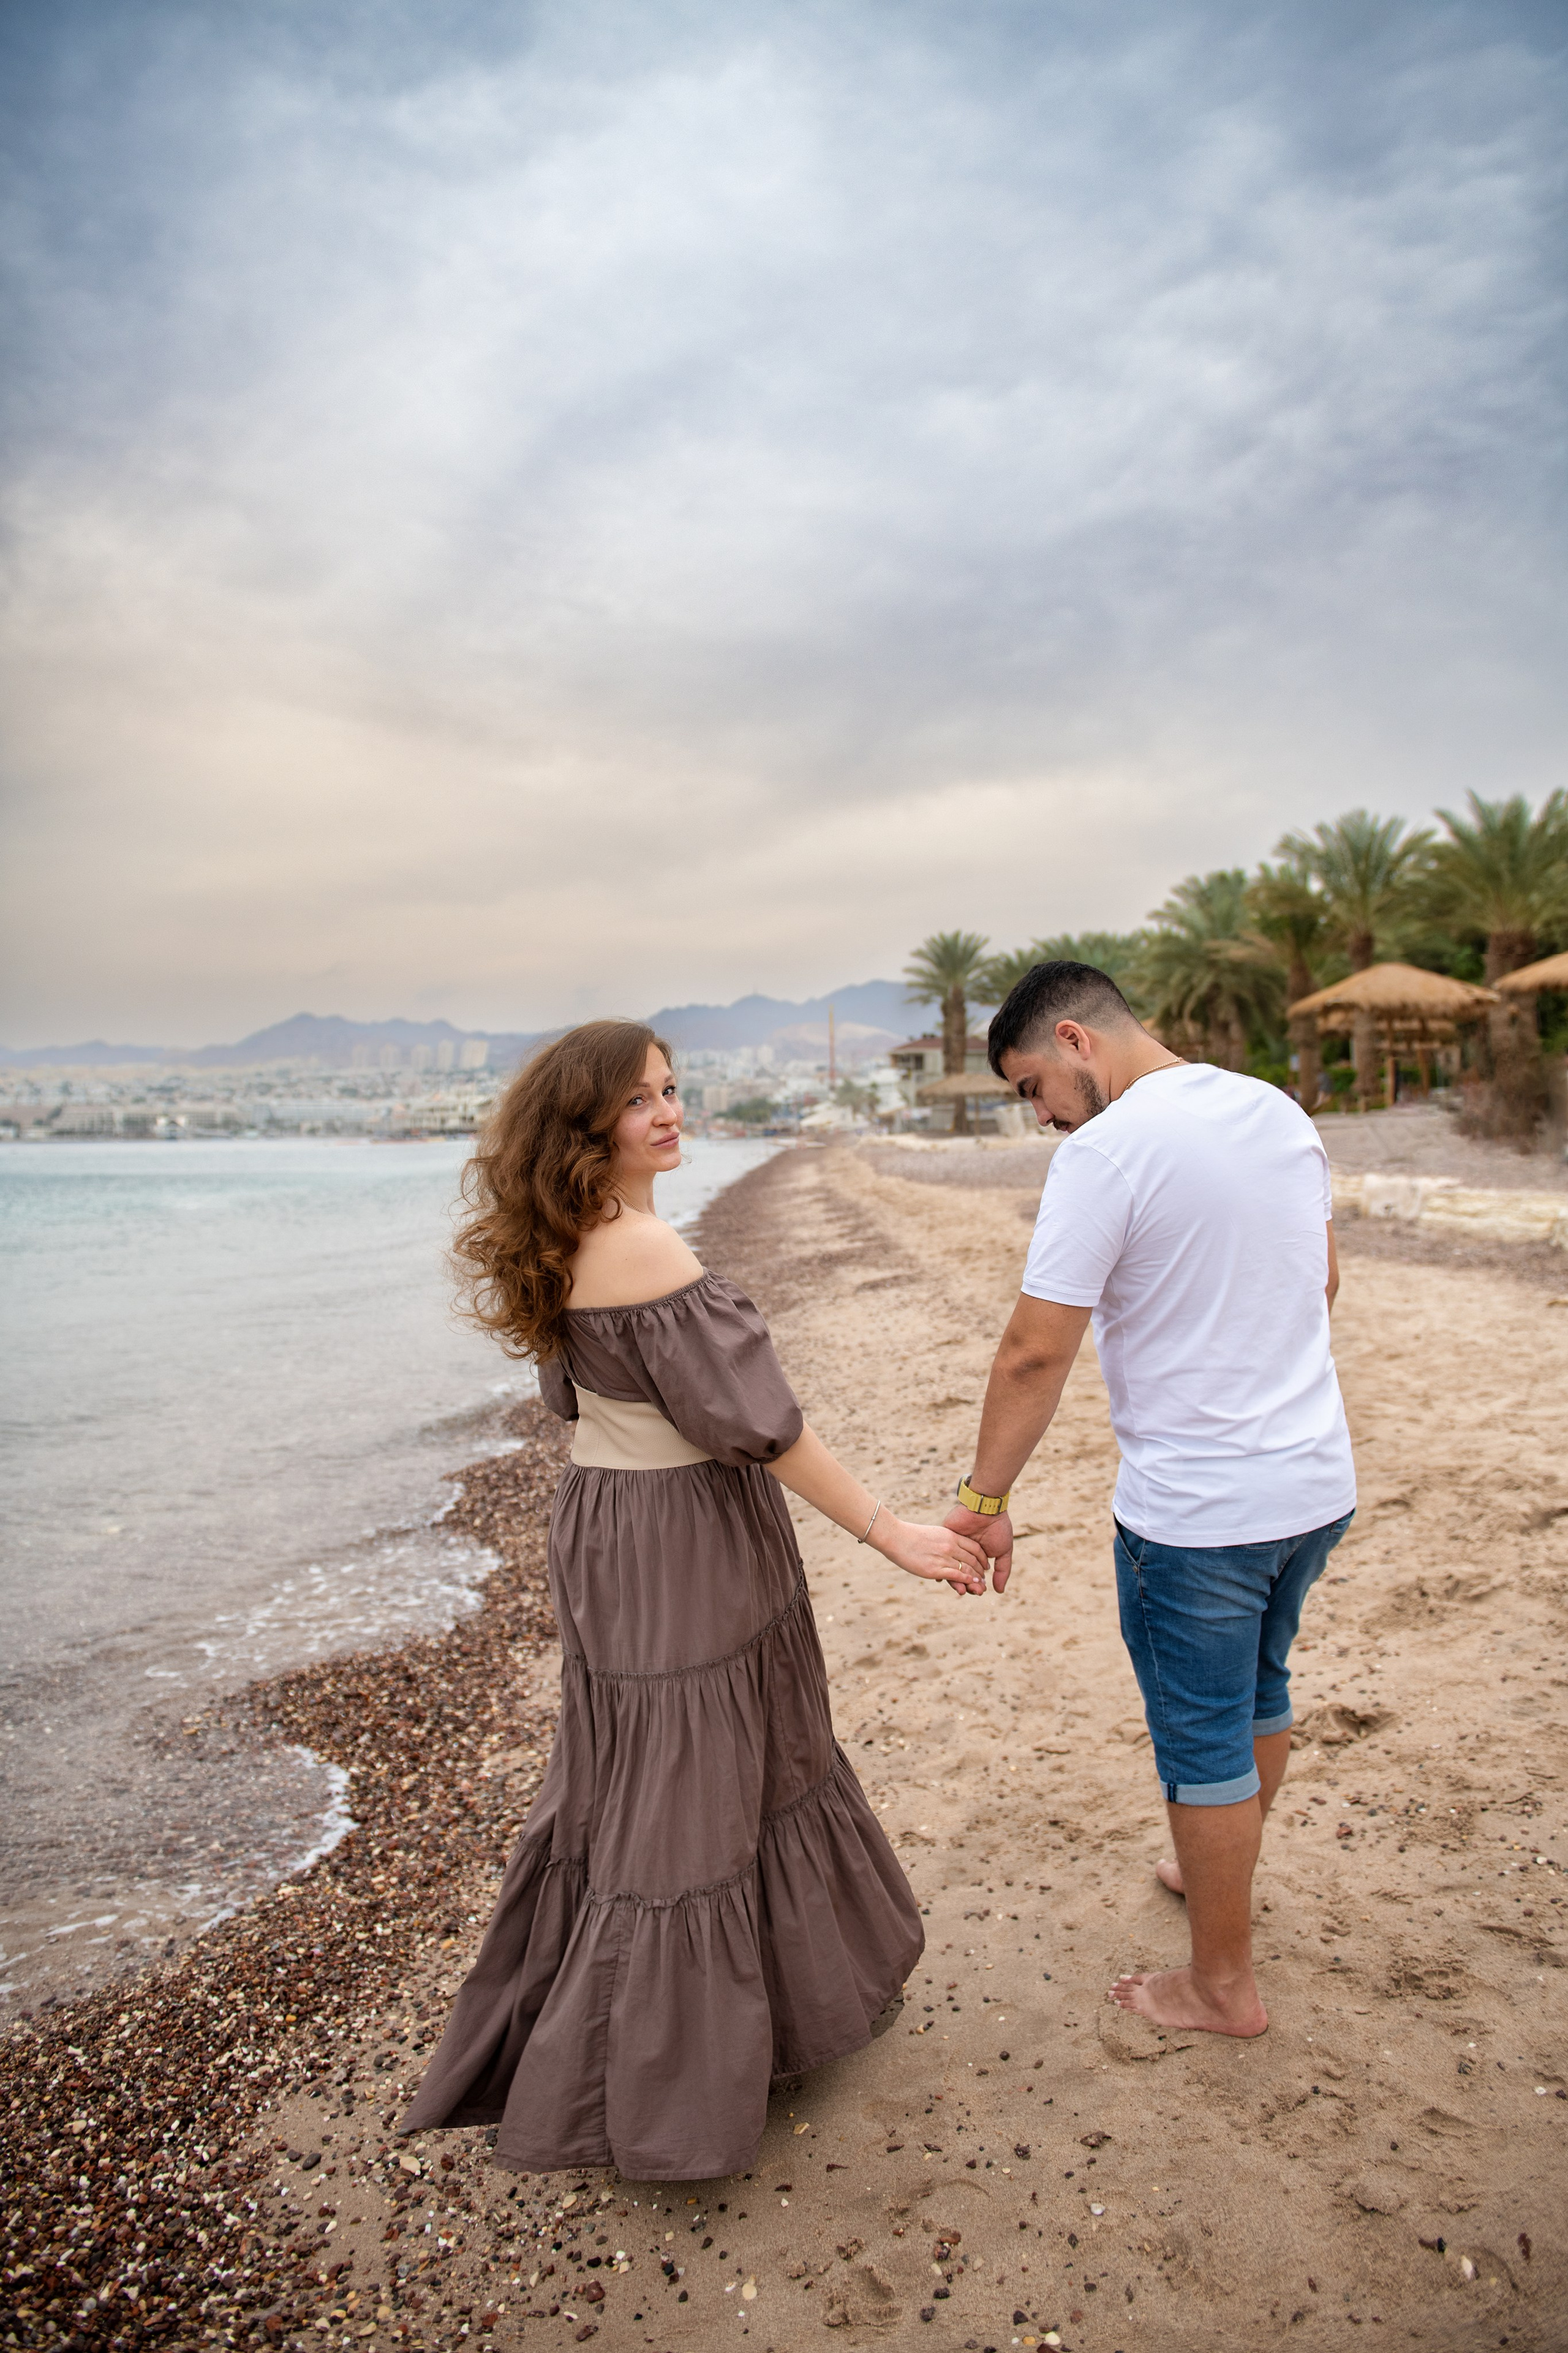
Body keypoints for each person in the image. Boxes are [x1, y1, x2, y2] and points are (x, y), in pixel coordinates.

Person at [402, 1019, 986, 2180]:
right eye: (639, 1101)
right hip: (682, 1535)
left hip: (610, 1527)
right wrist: (890, 1532)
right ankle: (668, 2087)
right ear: (587, 1126)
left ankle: (711, 2031)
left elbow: (593, 1407)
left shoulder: (567, 1233)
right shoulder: (644, 1252)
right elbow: (766, 1431)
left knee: (647, 1773)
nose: (668, 1112)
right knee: (703, 1779)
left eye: (673, 1089)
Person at [945, 962, 1355, 2038]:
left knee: (1201, 1736)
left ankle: (1220, 1986)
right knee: (1261, 1686)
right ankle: (1209, 1864)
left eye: (1032, 1086)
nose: (1038, 1115)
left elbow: (1036, 1351)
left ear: (1076, 1039)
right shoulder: (1275, 1109)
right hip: (1313, 1482)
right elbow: (1321, 1284)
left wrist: (985, 1496)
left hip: (1199, 1514)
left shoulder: (1107, 1151)